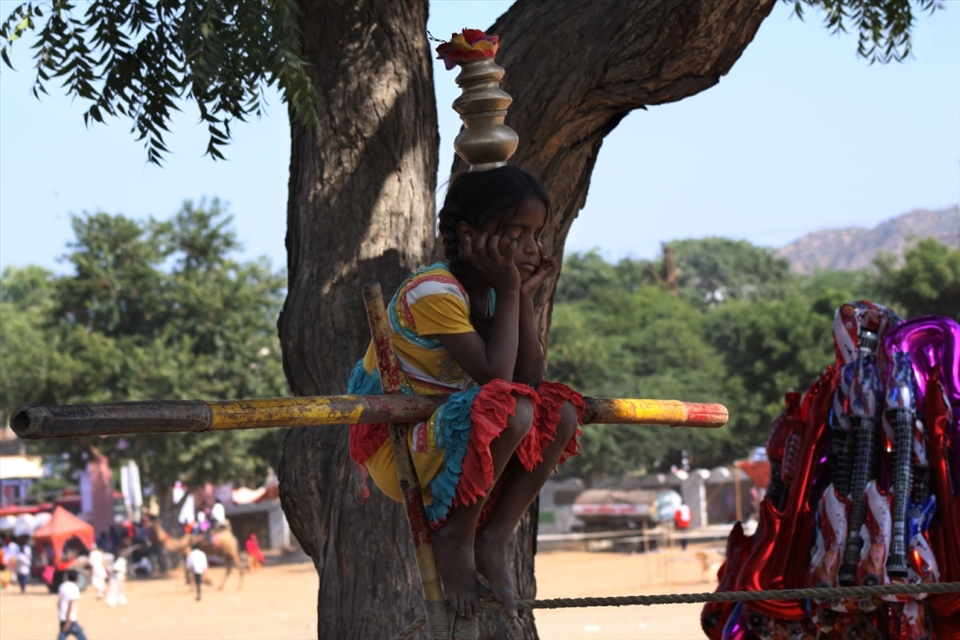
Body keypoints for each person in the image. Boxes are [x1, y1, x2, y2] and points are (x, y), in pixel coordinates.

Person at [348, 166, 582, 620]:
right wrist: (512, 289)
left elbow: (532, 383)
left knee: (563, 411)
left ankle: (492, 538)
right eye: (518, 234)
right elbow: (499, 380)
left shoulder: (495, 294)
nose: (534, 248)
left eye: (538, 234)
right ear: (470, 236)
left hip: (449, 440)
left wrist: (522, 298)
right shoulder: (434, 290)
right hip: (400, 450)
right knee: (511, 409)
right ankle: (455, 537)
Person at [57, 570, 88, 640]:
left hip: (62, 616)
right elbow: (71, 604)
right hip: (70, 618)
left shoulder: (62, 586)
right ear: (76, 578)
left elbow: (59, 602)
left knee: (63, 634)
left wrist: (60, 613)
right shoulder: (74, 588)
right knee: (80, 636)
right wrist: (68, 620)